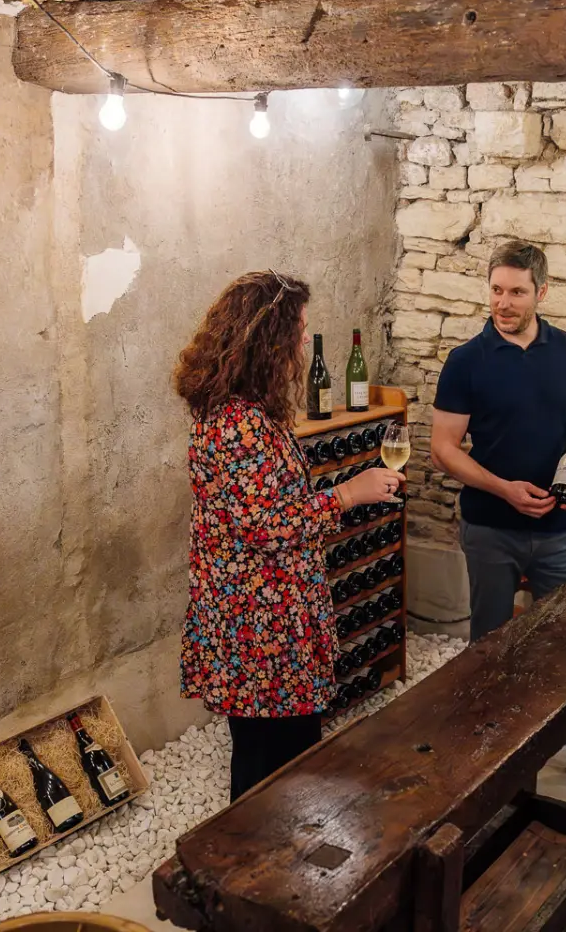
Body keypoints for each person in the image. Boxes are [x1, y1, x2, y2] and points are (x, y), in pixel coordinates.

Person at [173, 271, 404, 801]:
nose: (305, 339)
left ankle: (265, 862)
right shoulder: (237, 423)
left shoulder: (245, 411)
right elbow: (265, 523)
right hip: (261, 629)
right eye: (299, 328)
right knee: (273, 763)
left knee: (278, 755)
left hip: (267, 618)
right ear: (268, 339)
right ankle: (248, 868)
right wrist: (349, 493)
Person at [429, 240, 566, 785]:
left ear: (542, 292)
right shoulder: (466, 362)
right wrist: (503, 488)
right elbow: (443, 448)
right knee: (489, 644)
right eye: (496, 290)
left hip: (558, 528)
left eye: (516, 292)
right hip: (489, 527)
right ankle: (486, 754)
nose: (503, 302)